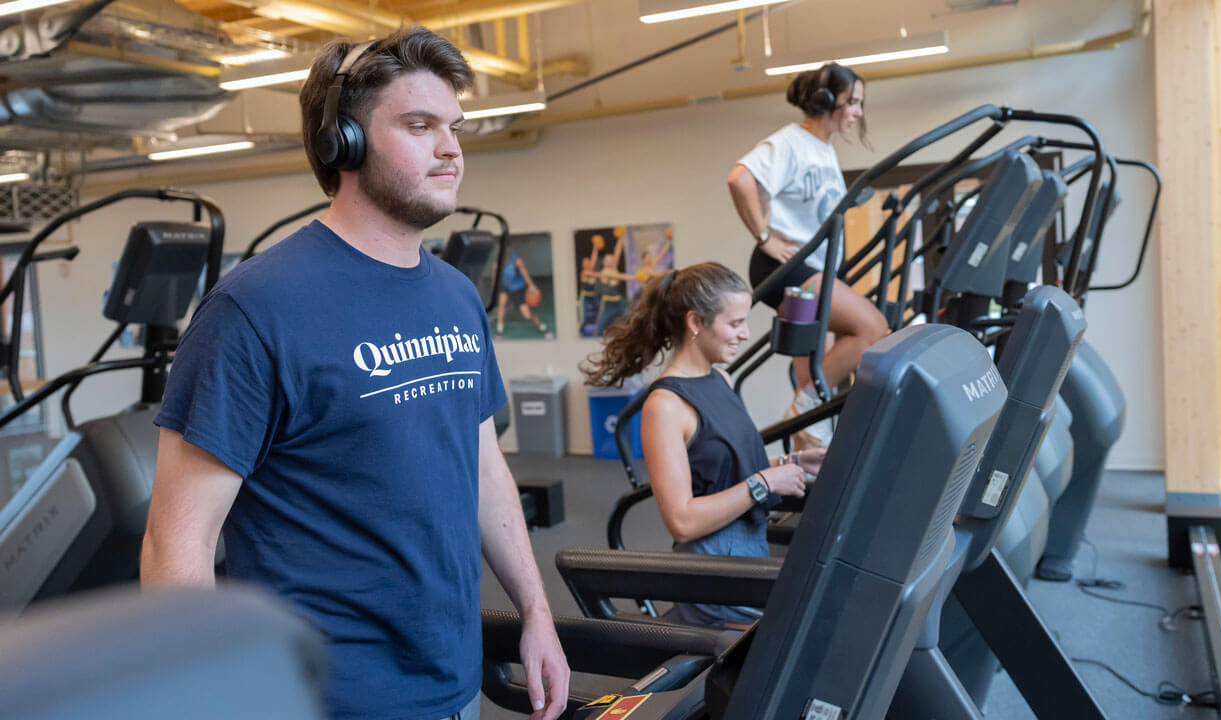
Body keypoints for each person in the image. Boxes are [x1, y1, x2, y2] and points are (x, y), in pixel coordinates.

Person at [139, 27, 568, 720]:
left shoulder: (457, 295)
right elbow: (175, 544)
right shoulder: (255, 307)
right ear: (344, 142)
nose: (451, 147)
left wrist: (537, 613)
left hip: (453, 679)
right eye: (420, 125)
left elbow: (484, 467)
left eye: (454, 127)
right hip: (325, 696)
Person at [581, 263, 823, 628]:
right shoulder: (665, 405)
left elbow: (729, 468)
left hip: (748, 550)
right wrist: (765, 484)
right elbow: (681, 521)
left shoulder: (720, 378)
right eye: (735, 323)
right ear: (696, 323)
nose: (745, 334)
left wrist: (793, 460)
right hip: (712, 569)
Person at [727, 62, 889, 449]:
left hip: (810, 268)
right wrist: (764, 235)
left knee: (815, 373)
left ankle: (809, 461)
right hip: (786, 267)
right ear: (827, 100)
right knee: (871, 328)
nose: (858, 113)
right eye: (853, 103)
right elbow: (739, 178)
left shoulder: (823, 150)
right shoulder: (791, 142)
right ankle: (803, 409)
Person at [495, 251, 551, 338]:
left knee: (527, 315)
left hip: (517, 289)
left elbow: (525, 274)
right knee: (501, 306)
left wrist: (531, 285)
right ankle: (499, 332)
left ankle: (543, 327)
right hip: (505, 287)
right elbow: (495, 278)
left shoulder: (517, 260)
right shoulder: (496, 263)